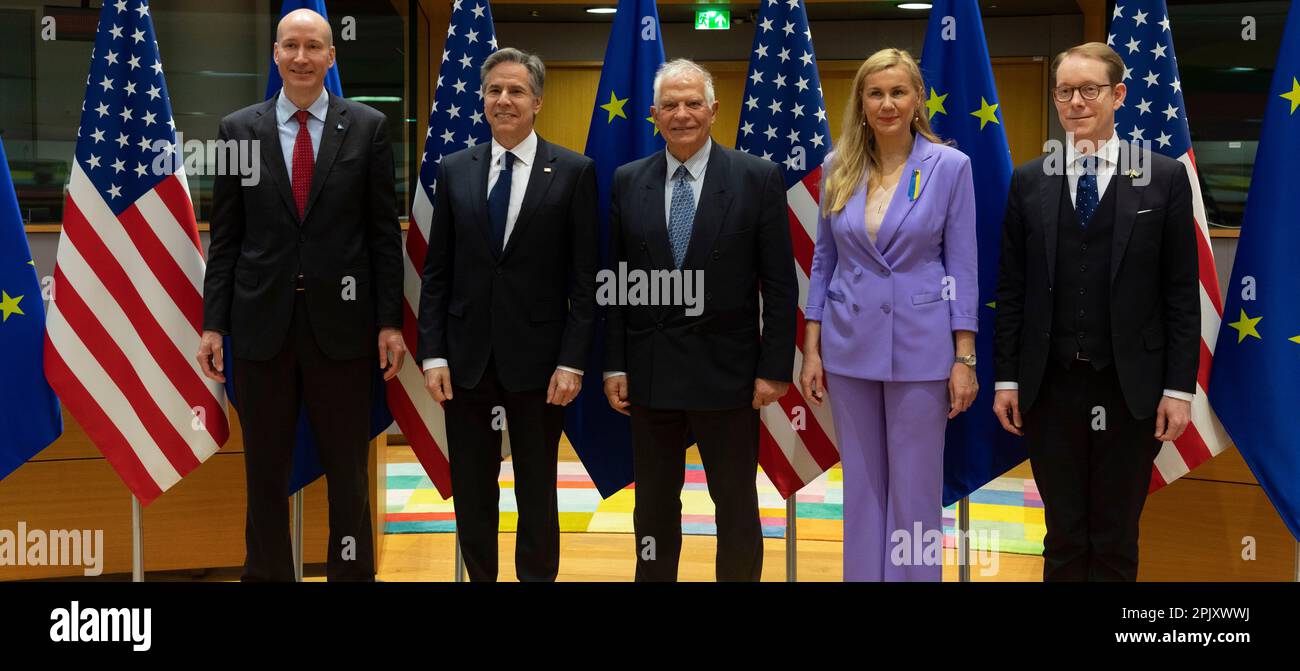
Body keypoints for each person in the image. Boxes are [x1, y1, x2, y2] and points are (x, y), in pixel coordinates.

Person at [197, 8, 405, 581]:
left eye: (314, 47)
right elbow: (228, 238)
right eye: (291, 46)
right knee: (264, 472)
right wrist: (214, 324)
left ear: (330, 57)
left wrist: (389, 323)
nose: (301, 57)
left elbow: (384, 237)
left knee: (347, 471)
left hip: (343, 331)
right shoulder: (238, 129)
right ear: (276, 54)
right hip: (262, 329)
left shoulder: (366, 127)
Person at [992, 42, 1199, 581]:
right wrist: (1007, 379)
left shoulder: (1162, 177)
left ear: (1118, 95)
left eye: (1089, 90)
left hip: (1131, 390)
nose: (1076, 102)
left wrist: (1179, 390)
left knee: (1113, 536)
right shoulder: (1029, 180)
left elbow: (1180, 292)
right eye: (1065, 91)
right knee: (1062, 533)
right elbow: (1012, 290)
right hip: (1051, 387)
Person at [603, 59, 798, 582]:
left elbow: (780, 284)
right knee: (653, 510)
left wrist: (775, 368)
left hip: (730, 375)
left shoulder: (757, 178)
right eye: (670, 105)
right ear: (653, 115)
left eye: (692, 104)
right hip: (651, 372)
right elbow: (618, 282)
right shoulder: (627, 181)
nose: (681, 114)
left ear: (714, 111)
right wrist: (614, 365)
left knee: (734, 505)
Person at [417, 48, 598, 582]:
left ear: (537, 101)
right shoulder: (455, 170)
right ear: (483, 98)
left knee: (537, 489)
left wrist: (572, 361)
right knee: (472, 489)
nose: (504, 100)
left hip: (540, 365)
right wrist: (433, 353)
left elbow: (586, 280)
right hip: (465, 360)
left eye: (516, 91)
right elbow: (437, 272)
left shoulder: (573, 171)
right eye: (495, 90)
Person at [799, 48, 979, 582]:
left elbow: (962, 265)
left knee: (915, 491)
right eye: (875, 93)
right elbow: (824, 260)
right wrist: (812, 347)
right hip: (849, 345)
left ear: (917, 97)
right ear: (861, 100)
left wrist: (964, 356)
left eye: (898, 91)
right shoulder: (839, 166)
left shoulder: (949, 166)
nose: (887, 103)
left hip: (923, 351)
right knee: (861, 488)